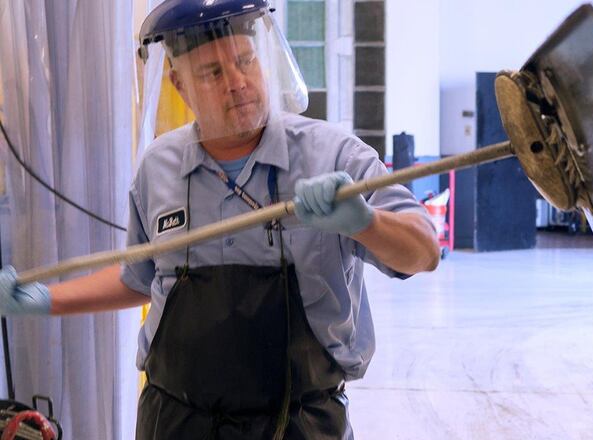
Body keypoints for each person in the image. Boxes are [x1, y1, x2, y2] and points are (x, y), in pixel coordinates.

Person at [0, 0, 440, 438]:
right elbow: (139, 280)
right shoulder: (159, 167)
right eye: (213, 72)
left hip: (298, 424)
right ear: (179, 84)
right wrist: (45, 299)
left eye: (246, 61)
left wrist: (365, 222)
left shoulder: (333, 155)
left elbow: (423, 252)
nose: (238, 83)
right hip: (174, 420)